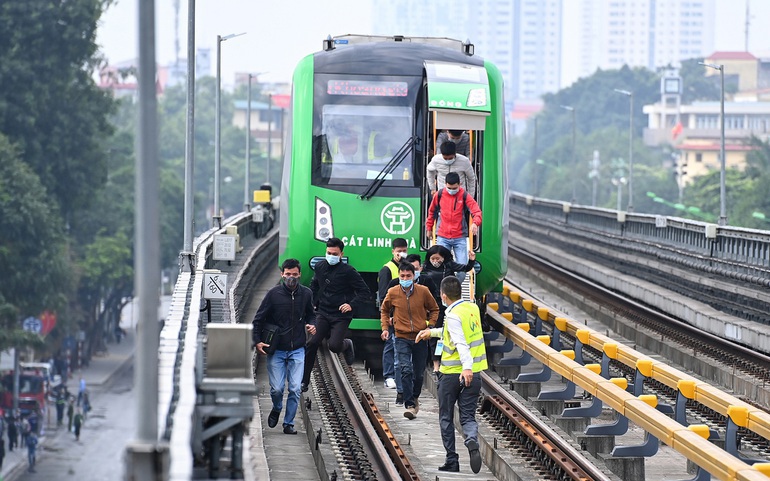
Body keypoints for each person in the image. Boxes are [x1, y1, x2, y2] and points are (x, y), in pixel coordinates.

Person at [415, 276, 488, 474]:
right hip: (475, 373)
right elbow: (453, 333)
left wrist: (465, 368)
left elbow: (461, 343)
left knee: (446, 417)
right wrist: (431, 332)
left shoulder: (454, 315)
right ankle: (471, 438)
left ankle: (452, 460)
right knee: (468, 416)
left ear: (443, 295)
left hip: (453, 375)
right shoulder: (471, 308)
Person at [252, 258, 317, 435]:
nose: (291, 278)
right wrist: (257, 341)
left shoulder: (306, 294)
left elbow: (312, 314)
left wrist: (313, 324)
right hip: (277, 349)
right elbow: (258, 319)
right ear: (282, 274)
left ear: (299, 274)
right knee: (277, 389)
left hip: (297, 348)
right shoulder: (273, 295)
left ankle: (288, 423)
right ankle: (277, 406)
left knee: (295, 388)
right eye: (288, 274)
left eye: (294, 275)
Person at [302, 237, 371, 391]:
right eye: (328, 252)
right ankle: (304, 381)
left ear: (341, 254)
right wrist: (313, 302)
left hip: (340, 315)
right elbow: (314, 284)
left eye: (334, 253)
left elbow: (365, 292)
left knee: (334, 346)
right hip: (323, 312)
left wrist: (351, 304)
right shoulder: (319, 266)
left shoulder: (349, 271)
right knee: (312, 343)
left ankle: (347, 344)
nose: (331, 256)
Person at [380, 263, 439, 420]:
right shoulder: (393, 292)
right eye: (402, 276)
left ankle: (415, 396)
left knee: (418, 373)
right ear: (398, 276)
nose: (405, 279)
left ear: (414, 276)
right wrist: (385, 328)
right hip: (401, 336)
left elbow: (435, 309)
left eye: (408, 276)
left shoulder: (423, 291)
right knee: (405, 368)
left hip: (420, 336)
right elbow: (384, 310)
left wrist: (430, 326)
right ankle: (410, 405)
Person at [425, 171, 482, 283]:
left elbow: (477, 211)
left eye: (454, 188)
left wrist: (475, 223)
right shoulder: (439, 195)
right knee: (440, 267)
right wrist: (429, 228)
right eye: (449, 188)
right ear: (445, 184)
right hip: (443, 236)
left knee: (462, 271)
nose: (452, 190)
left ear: (459, 184)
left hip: (459, 237)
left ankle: (454, 288)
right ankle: (442, 291)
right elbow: (431, 212)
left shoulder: (465, 195)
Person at [378, 238, 408, 397]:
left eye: (404, 250)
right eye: (398, 251)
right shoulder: (387, 269)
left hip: (404, 314)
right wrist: (387, 315)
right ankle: (388, 376)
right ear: (393, 251)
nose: (401, 253)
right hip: (392, 315)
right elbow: (383, 295)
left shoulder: (406, 268)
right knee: (390, 345)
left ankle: (398, 376)